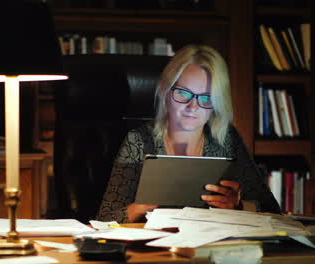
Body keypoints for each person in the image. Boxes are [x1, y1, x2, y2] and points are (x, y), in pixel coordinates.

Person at [96, 44, 281, 223]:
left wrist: (238, 206)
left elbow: (270, 208)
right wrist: (140, 206)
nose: (193, 107)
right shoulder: (139, 140)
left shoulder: (225, 139)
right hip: (153, 249)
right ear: (165, 91)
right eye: (184, 93)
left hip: (207, 248)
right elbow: (105, 219)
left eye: (206, 98)